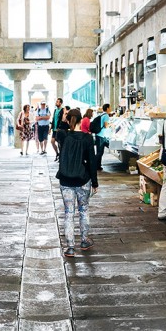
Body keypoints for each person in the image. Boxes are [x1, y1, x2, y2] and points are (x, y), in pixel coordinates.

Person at [56, 108, 98, 258]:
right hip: (82, 180)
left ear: (68, 120)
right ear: (81, 120)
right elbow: (92, 162)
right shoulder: (87, 139)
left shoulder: (63, 135)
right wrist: (95, 182)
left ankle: (70, 247)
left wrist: (64, 118)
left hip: (65, 179)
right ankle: (85, 240)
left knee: (68, 213)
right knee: (83, 210)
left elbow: (59, 129)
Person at [95, 103, 111, 171]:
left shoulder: (101, 114)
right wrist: (111, 125)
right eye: (110, 108)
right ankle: (95, 165)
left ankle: (98, 165)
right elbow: (106, 125)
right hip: (102, 136)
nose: (110, 109)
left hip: (98, 134)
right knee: (100, 152)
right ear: (107, 108)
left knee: (99, 151)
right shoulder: (106, 115)